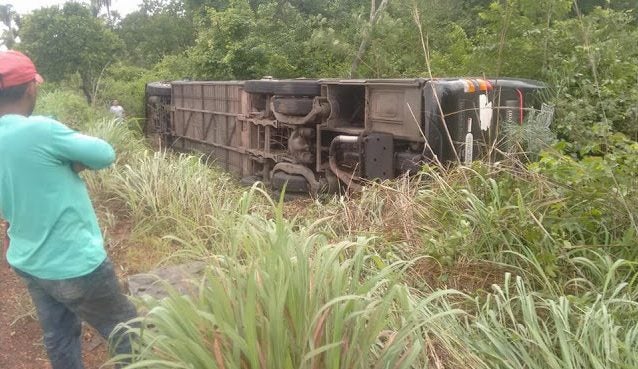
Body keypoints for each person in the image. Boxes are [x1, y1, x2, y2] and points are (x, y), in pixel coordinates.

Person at [0, 50, 137, 369]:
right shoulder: (40, 129)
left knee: (59, 336)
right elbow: (104, 154)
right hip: (75, 263)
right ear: (31, 88)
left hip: (29, 260)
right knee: (127, 332)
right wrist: (71, 163)